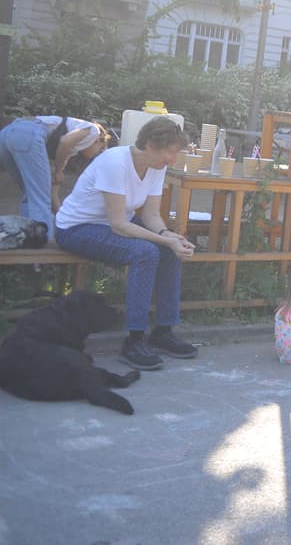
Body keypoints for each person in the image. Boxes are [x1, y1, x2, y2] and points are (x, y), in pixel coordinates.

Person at [54, 117, 197, 371]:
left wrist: (168, 235)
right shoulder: (115, 162)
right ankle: (134, 340)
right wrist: (164, 239)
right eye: (171, 151)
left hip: (113, 225)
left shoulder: (157, 166)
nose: (173, 159)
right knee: (145, 252)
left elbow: (151, 215)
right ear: (151, 145)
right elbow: (119, 224)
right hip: (76, 228)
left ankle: (163, 331)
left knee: (169, 250)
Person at [0, 115, 110, 238]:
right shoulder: (93, 130)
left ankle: (26, 235)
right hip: (29, 133)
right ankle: (44, 243)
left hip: (7, 133)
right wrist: (58, 170)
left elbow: (52, 187)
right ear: (99, 141)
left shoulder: (71, 148)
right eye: (100, 150)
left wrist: (57, 177)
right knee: (40, 200)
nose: (94, 155)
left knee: (31, 194)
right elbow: (65, 141)